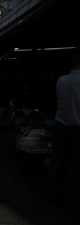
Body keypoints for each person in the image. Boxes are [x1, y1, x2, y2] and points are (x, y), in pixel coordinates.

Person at [52, 53, 80, 201]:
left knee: (60, 161)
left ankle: (57, 192)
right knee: (75, 162)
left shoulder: (61, 80)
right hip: (77, 128)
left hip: (60, 125)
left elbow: (59, 101)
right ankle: (72, 193)